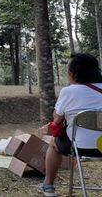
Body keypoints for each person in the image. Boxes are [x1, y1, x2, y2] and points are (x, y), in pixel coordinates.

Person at [40, 53, 102, 197]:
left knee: (54, 144)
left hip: (80, 147)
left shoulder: (69, 91)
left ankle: (48, 186)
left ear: (74, 73)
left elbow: (56, 120)